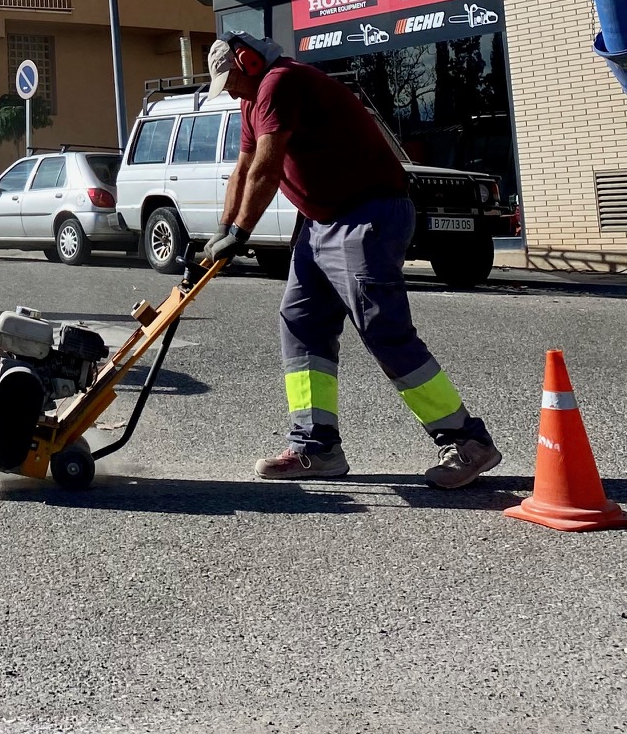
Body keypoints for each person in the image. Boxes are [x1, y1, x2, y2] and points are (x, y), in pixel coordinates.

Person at [202, 32, 500, 490]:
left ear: (249, 61)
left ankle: (468, 442)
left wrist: (241, 233)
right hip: (320, 222)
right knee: (301, 323)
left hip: (367, 213)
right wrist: (222, 230)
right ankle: (315, 447)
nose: (231, 93)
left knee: (383, 330)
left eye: (232, 81)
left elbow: (266, 167)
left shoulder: (280, 83)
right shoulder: (251, 101)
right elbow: (243, 169)